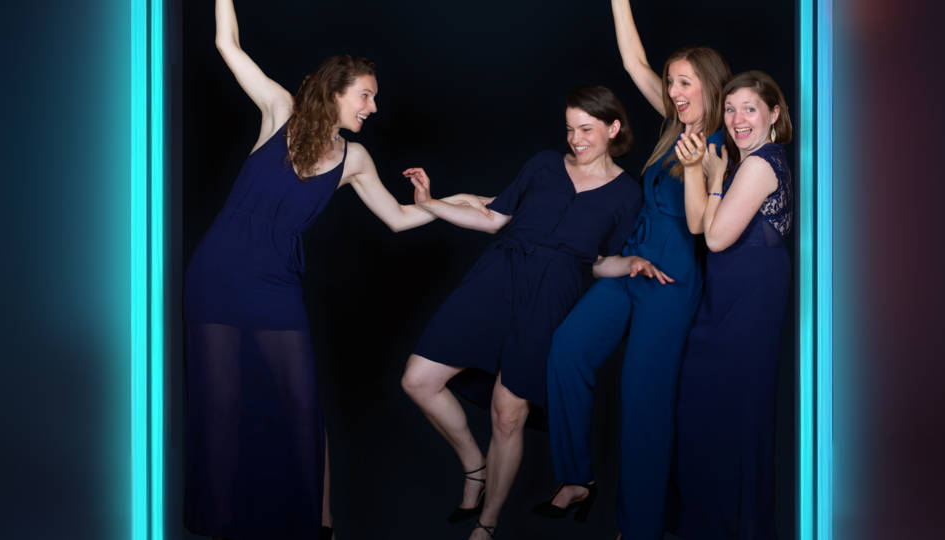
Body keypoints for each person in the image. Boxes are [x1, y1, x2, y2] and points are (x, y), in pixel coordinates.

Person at [183, 2, 489, 539]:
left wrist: (452, 201)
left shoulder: (355, 158)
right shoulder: (279, 110)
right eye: (365, 95)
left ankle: (320, 527)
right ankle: (221, 524)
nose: (373, 106)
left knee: (301, 408)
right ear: (335, 91)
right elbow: (227, 44)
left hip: (276, 287)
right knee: (222, 406)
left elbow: (397, 218)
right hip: (217, 275)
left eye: (373, 97)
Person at [400, 85, 646, 539]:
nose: (575, 139)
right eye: (570, 129)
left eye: (586, 129)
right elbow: (494, 218)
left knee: (508, 414)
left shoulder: (628, 194)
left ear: (613, 128)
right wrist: (431, 203)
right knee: (418, 379)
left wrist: (632, 263)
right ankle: (474, 466)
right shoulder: (544, 164)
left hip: (552, 297)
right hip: (497, 278)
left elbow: (600, 263)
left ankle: (488, 523)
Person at [537, 1, 730, 538]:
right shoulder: (674, 125)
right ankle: (577, 477)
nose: (674, 92)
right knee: (567, 348)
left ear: (710, 86)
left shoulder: (721, 144)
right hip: (632, 264)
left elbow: (704, 228)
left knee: (643, 402)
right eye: (671, 83)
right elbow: (634, 63)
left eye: (685, 83)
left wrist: (703, 169)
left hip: (671, 284)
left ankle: (639, 527)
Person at [670, 70, 793, 540]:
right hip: (726, 302)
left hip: (747, 309)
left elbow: (716, 238)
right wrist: (700, 172)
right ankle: (714, 526)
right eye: (730, 108)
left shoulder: (761, 163)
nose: (738, 119)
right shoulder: (746, 163)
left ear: (774, 114)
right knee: (716, 415)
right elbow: (700, 224)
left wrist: (716, 174)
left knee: (733, 419)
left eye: (750, 109)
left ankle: (734, 529)